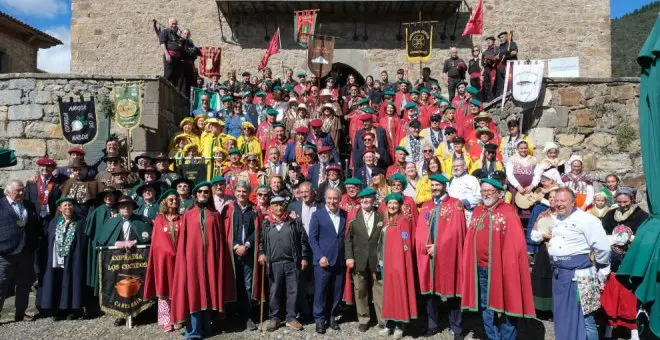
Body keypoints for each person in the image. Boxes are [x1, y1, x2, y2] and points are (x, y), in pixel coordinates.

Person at [460, 178, 536, 339]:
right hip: (480, 269)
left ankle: (507, 336)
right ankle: (493, 336)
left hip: (501, 269)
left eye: (490, 190)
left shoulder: (508, 211)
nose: (486, 194)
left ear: (500, 193)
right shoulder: (478, 210)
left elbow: (515, 243)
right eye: (483, 191)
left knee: (508, 303)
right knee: (485, 305)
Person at [171, 182, 236, 338]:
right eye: (199, 191)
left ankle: (206, 328)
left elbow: (219, 241)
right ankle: (193, 331)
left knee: (208, 292)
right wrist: (184, 261)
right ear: (195, 194)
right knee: (194, 294)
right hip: (192, 262)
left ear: (209, 194)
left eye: (206, 192)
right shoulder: (188, 214)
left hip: (210, 262)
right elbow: (183, 241)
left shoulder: (214, 215)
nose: (203, 194)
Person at [545, 188, 609, 340]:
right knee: (562, 314)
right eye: (556, 201)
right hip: (560, 275)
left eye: (563, 201)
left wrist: (602, 270)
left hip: (582, 274)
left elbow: (603, 248)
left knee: (587, 316)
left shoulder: (587, 219)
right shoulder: (555, 219)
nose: (558, 204)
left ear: (573, 202)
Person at [415, 174, 466, 339]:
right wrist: (424, 245)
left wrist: (439, 247)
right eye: (433, 185)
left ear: (444, 186)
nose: (434, 188)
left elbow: (457, 232)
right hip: (428, 256)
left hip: (448, 255)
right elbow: (421, 229)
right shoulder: (427, 205)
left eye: (438, 185)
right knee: (431, 294)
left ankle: (456, 328)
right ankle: (433, 325)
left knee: (451, 292)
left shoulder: (455, 204)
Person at [258, 195, 310, 331]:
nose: (279, 207)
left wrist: (304, 257)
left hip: (291, 263)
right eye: (275, 205)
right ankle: (274, 318)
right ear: (270, 207)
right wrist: (261, 253)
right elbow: (261, 242)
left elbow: (303, 241)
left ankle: (291, 317)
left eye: (281, 204)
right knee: (274, 292)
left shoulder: (294, 222)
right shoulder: (266, 224)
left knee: (293, 291)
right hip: (273, 264)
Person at [36, 196, 86, 320]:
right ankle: (59, 310)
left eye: (70, 205)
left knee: (72, 282)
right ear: (60, 208)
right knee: (58, 282)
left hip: (73, 259)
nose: (68, 207)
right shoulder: (54, 222)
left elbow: (83, 241)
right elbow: (49, 241)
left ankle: (72, 310)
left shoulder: (80, 222)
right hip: (57, 259)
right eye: (65, 205)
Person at [378, 193, 417, 339]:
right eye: (390, 203)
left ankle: (399, 326)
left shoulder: (403, 221)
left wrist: (402, 265)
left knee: (398, 294)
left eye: (395, 203)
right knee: (388, 294)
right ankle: (389, 324)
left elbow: (406, 245)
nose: (392, 206)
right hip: (385, 263)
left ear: (400, 205)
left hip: (397, 265)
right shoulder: (386, 220)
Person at [345, 188, 384, 332]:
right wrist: (349, 257)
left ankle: (382, 319)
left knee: (379, 290)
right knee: (360, 291)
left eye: (369, 198)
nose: (366, 200)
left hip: (377, 259)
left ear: (374, 200)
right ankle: (363, 319)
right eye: (363, 199)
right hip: (359, 259)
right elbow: (348, 239)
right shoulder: (354, 217)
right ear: (360, 201)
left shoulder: (381, 216)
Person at [0, 180, 40, 322]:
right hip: (5, 252)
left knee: (23, 284)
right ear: (8, 191)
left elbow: (34, 226)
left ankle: (20, 313)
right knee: (1, 284)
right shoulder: (1, 205)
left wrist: (33, 244)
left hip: (25, 252)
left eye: (23, 190)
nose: (22, 193)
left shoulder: (29, 205)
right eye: (18, 190)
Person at [309, 187, 347, 334]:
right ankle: (319, 319)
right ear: (325, 199)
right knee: (321, 291)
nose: (332, 201)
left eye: (335, 198)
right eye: (330, 198)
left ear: (339, 199)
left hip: (339, 259)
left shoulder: (344, 215)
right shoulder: (317, 215)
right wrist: (320, 256)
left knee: (336, 291)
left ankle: (332, 316)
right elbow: (312, 239)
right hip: (323, 261)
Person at [223, 181, 260, 331]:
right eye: (239, 191)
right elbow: (224, 230)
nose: (241, 194)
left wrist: (247, 245)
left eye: (244, 191)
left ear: (249, 192)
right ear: (234, 192)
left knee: (247, 284)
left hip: (248, 253)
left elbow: (256, 231)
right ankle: (231, 317)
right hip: (232, 253)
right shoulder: (228, 209)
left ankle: (247, 316)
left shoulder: (254, 210)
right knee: (232, 282)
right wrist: (236, 245)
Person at [143, 190, 181, 332]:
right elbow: (158, 241)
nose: (174, 202)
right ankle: (166, 320)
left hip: (179, 260)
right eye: (171, 199)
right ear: (165, 201)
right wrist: (170, 252)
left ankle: (177, 317)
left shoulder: (182, 218)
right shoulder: (159, 219)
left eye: (176, 199)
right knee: (164, 288)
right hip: (164, 260)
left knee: (178, 289)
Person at [528, 186, 558, 315]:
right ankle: (542, 308)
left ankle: (555, 308)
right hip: (543, 251)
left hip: (559, 252)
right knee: (542, 279)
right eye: (549, 197)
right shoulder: (542, 214)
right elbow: (533, 235)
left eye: (554, 198)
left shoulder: (566, 216)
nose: (551, 200)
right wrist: (543, 235)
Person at [159, 18, 183, 91]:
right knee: (168, 75)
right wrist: (167, 55)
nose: (174, 25)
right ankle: (165, 91)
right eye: (172, 23)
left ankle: (173, 92)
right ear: (169, 24)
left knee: (176, 77)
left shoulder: (176, 35)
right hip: (169, 56)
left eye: (175, 24)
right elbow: (162, 44)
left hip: (177, 58)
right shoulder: (165, 32)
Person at [495, 31, 518, 97]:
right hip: (501, 67)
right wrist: (497, 57)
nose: (501, 39)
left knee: (509, 81)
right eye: (500, 38)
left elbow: (515, 52)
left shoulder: (512, 43)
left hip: (509, 66)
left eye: (502, 37)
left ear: (506, 37)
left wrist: (508, 54)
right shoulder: (500, 47)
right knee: (501, 83)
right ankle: (502, 96)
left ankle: (511, 95)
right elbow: (499, 55)